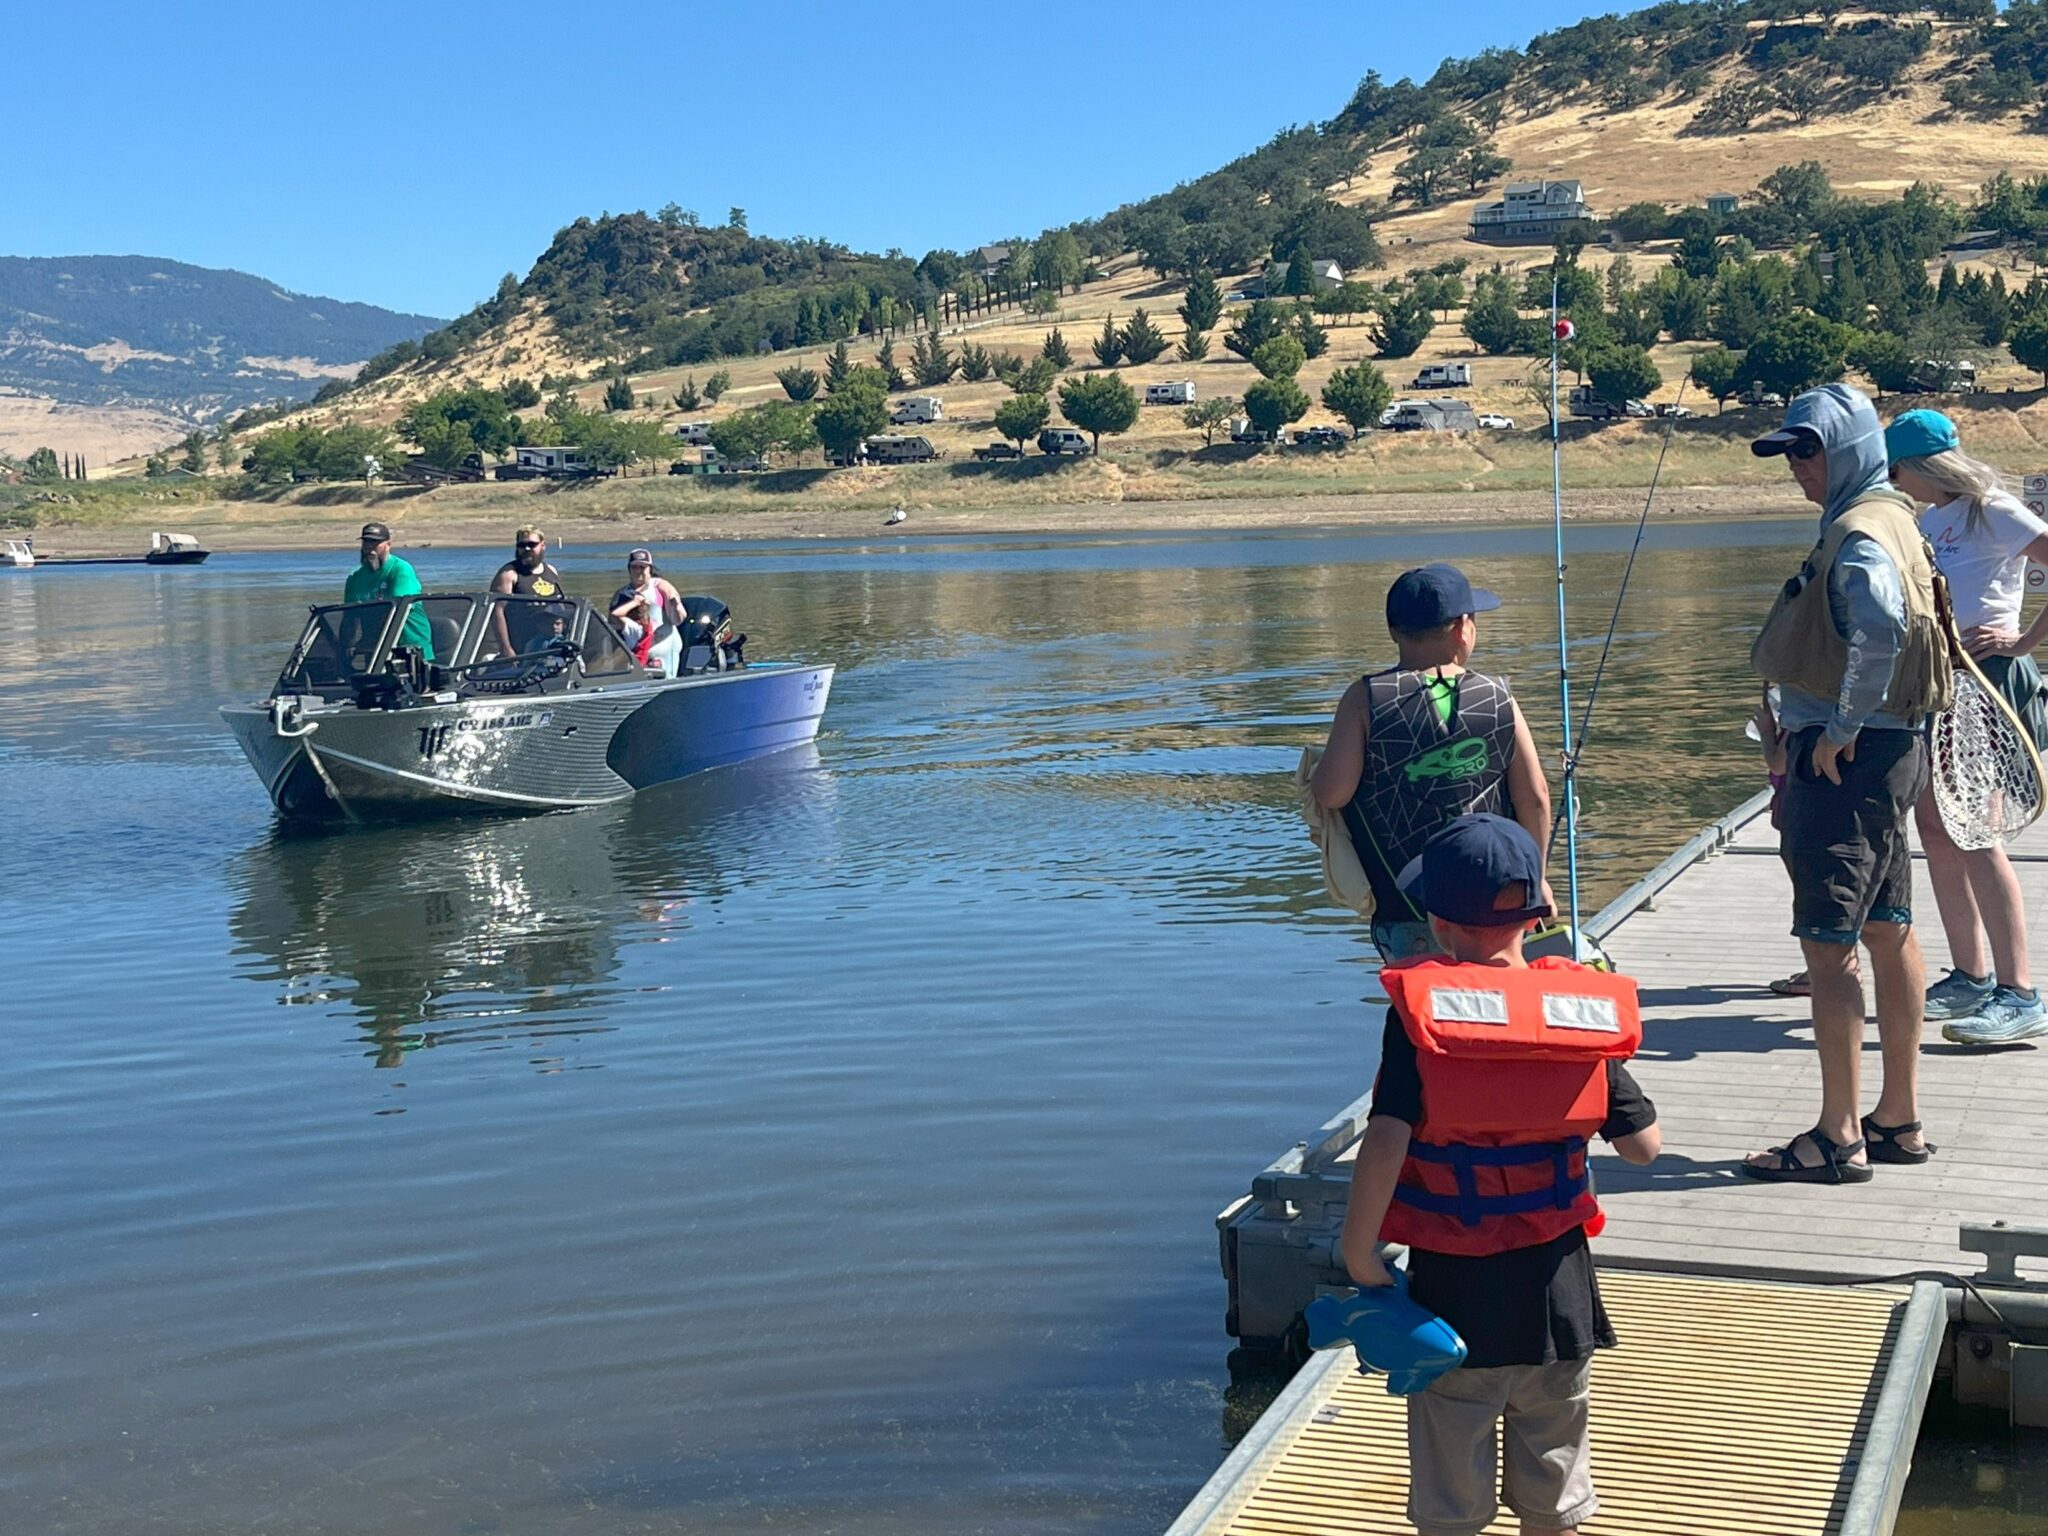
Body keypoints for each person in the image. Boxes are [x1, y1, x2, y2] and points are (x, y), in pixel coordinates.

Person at [1339, 813, 1660, 1536]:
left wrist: (1357, 1254)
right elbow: (1645, 1147)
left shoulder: (1422, 1019)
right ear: (1538, 916)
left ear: (1439, 925)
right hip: (1563, 1307)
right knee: (1555, 1495)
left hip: (1453, 1308)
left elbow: (1387, 1138)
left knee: (1452, 1503)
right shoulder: (1578, 1014)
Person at [1746, 384, 1950, 1180]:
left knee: (1827, 948)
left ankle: (1838, 1137)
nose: (1796, 467)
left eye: (1808, 450)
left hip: (1847, 763)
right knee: (1890, 924)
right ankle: (1897, 1119)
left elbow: (1884, 628)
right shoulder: (1895, 513)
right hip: (1890, 755)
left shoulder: (1861, 533)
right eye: (1789, 452)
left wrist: (1837, 730)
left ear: (1852, 448)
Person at [1887, 408, 2048, 1045]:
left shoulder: (1994, 508)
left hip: (1987, 688)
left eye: (1898, 469)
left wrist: (2022, 640)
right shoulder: (1929, 518)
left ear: (1924, 466)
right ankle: (1971, 975)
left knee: (1978, 831)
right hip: (1941, 686)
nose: (1895, 481)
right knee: (1936, 827)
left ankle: (2021, 992)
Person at [1311, 563, 1554, 962]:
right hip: (1496, 903)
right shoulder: (1498, 696)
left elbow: (1332, 793)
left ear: (1393, 631)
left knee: (1421, 1008)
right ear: (1464, 628)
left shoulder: (1365, 699)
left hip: (1406, 903)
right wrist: (1537, 881)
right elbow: (1536, 797)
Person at [342, 520, 433, 660]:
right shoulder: (355, 577)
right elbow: (350, 617)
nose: (370, 547)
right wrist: (345, 648)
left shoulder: (400, 569)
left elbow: (399, 609)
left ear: (388, 545)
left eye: (375, 543)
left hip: (409, 648)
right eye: (366, 542)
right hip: (374, 649)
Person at [490, 526, 564, 656]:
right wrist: (506, 648)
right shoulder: (509, 574)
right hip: (523, 647)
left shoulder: (551, 571)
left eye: (532, 545)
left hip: (553, 642)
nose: (527, 549)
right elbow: (497, 613)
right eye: (522, 545)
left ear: (543, 545)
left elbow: (563, 607)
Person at [610, 548, 684, 676]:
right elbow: (612, 624)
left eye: (643, 567)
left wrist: (675, 605)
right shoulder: (621, 593)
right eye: (635, 567)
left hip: (663, 650)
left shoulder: (661, 586)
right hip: (635, 653)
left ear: (650, 569)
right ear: (629, 569)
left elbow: (678, 620)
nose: (638, 571)